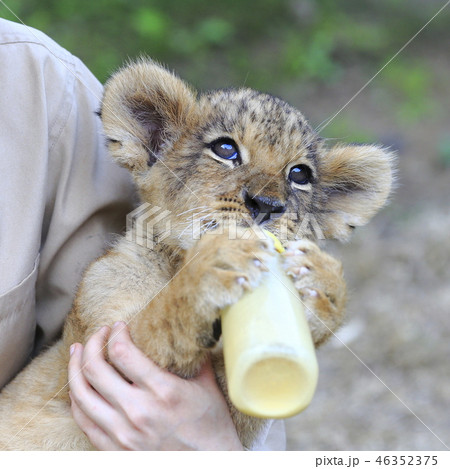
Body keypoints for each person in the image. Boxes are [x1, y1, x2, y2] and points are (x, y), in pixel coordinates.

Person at [0, 18, 286, 450]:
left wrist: (218, 452)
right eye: (226, 151)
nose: (269, 198)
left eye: (298, 176)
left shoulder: (36, 82)